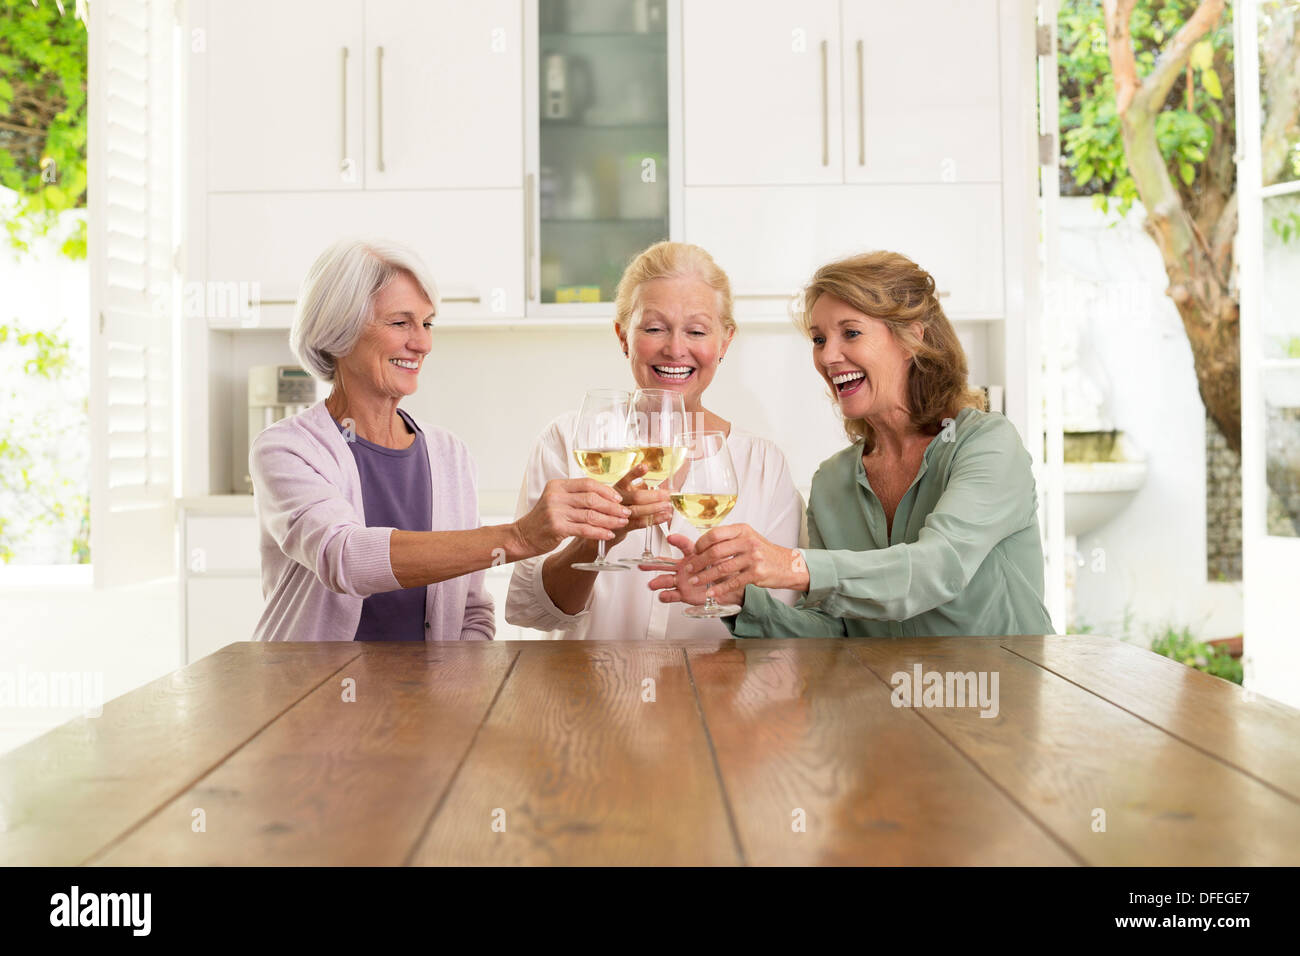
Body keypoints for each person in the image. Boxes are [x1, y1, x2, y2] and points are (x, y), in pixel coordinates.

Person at [647, 250, 1055, 638]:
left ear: (913, 336)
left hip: (1000, 700)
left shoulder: (986, 444)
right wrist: (740, 602)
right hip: (888, 703)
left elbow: (938, 568)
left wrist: (792, 564)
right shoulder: (834, 480)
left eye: (851, 333)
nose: (828, 357)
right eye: (819, 339)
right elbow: (835, 632)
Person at [249, 238, 631, 642]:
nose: (423, 343)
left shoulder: (448, 454)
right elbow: (346, 559)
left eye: (427, 323)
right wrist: (517, 537)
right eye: (401, 323)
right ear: (338, 329)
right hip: (311, 696)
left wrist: (453, 693)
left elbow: (472, 613)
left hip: (425, 703)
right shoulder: (288, 449)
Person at [506, 241, 804, 640]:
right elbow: (534, 612)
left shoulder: (764, 465)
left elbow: (782, 622)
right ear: (623, 335)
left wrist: (726, 589)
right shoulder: (566, 441)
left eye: (696, 331)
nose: (675, 349)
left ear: (725, 341)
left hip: (714, 700)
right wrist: (598, 541)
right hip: (589, 700)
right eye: (654, 328)